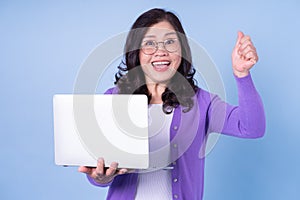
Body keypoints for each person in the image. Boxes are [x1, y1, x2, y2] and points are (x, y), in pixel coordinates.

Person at [78, 8, 265, 200]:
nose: (161, 52)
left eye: (170, 42)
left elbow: (252, 128)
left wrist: (242, 75)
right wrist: (100, 178)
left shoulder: (202, 102)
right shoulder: (113, 100)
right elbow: (98, 171)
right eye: (149, 44)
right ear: (137, 52)